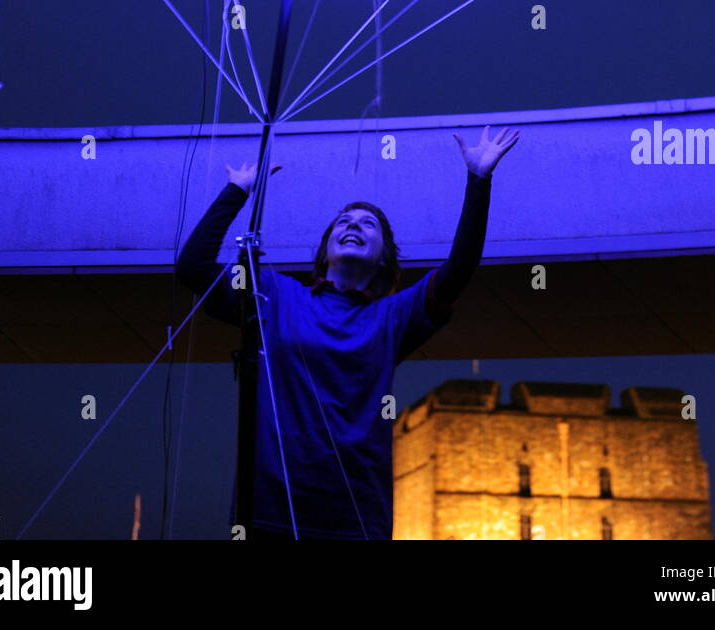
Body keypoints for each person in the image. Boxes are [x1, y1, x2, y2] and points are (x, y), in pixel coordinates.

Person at [176, 124, 520, 540]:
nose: (354, 225)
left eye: (369, 224)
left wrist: (478, 179)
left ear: (382, 260)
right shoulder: (274, 292)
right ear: (324, 252)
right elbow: (192, 267)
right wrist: (237, 190)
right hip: (267, 511)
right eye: (344, 220)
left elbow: (458, 271)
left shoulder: (393, 318)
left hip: (355, 518)